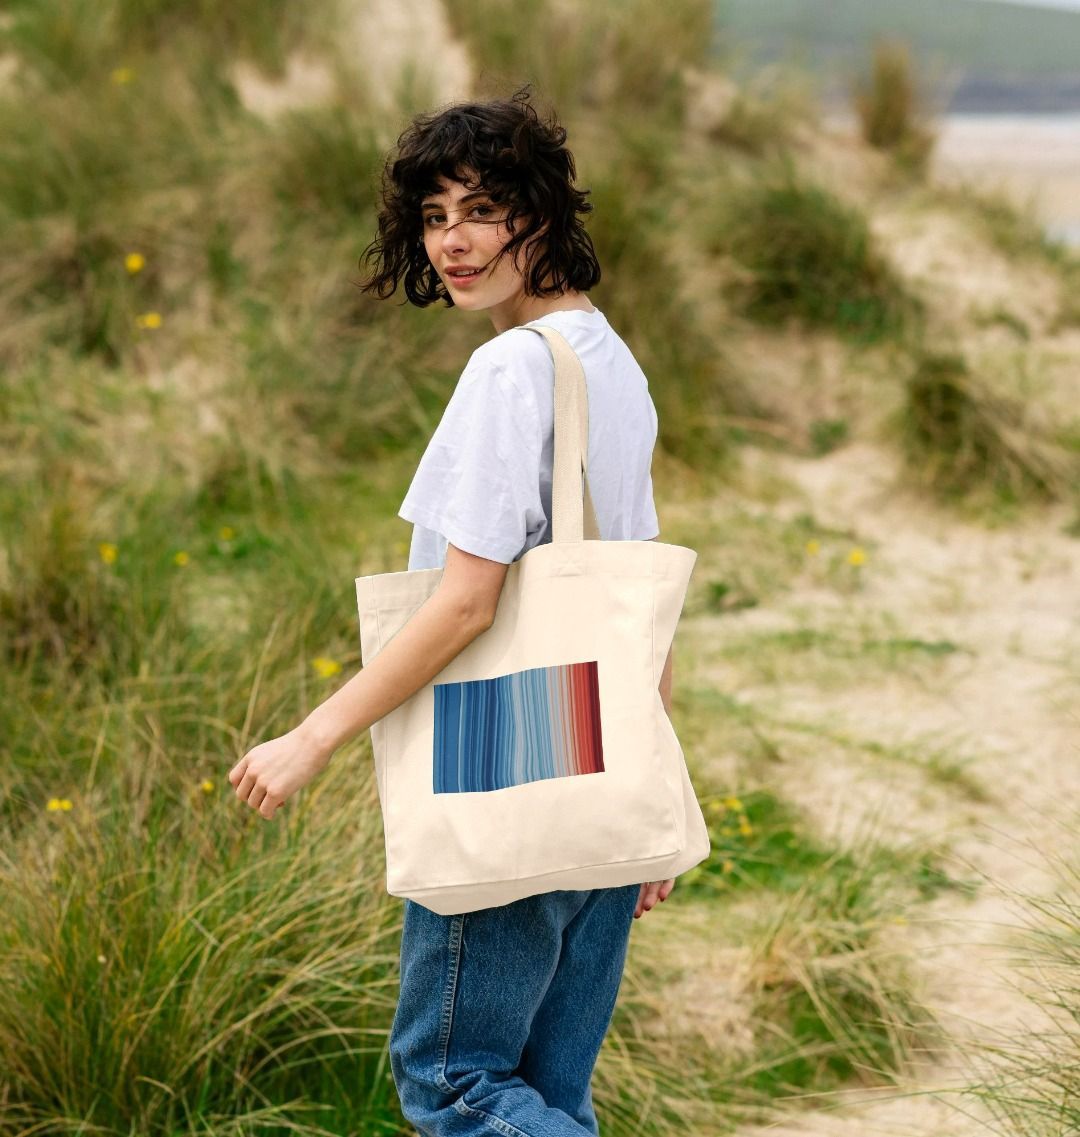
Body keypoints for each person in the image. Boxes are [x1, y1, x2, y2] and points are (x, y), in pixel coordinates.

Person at [228, 85, 678, 1136]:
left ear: (542, 211)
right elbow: (639, 600)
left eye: (480, 210)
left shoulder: (511, 371)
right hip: (603, 758)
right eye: (432, 218)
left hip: (506, 756)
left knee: (459, 1084)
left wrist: (312, 735)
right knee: (549, 1092)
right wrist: (653, 790)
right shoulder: (613, 363)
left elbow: (466, 603)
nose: (452, 242)